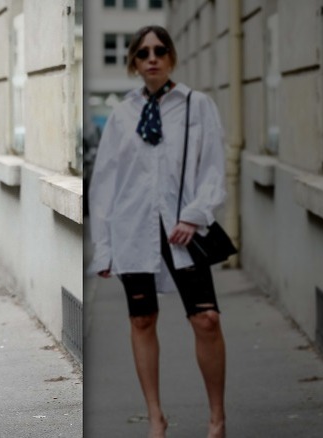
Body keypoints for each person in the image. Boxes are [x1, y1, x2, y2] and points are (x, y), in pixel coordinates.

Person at [88, 25, 227, 438]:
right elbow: (105, 185)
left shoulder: (197, 106)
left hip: (184, 232)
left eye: (160, 50)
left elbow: (214, 168)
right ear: (133, 61)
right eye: (143, 51)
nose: (152, 57)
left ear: (171, 57)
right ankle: (155, 418)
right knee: (143, 320)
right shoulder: (122, 113)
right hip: (133, 232)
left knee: (207, 320)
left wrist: (195, 214)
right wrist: (105, 247)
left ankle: (217, 418)